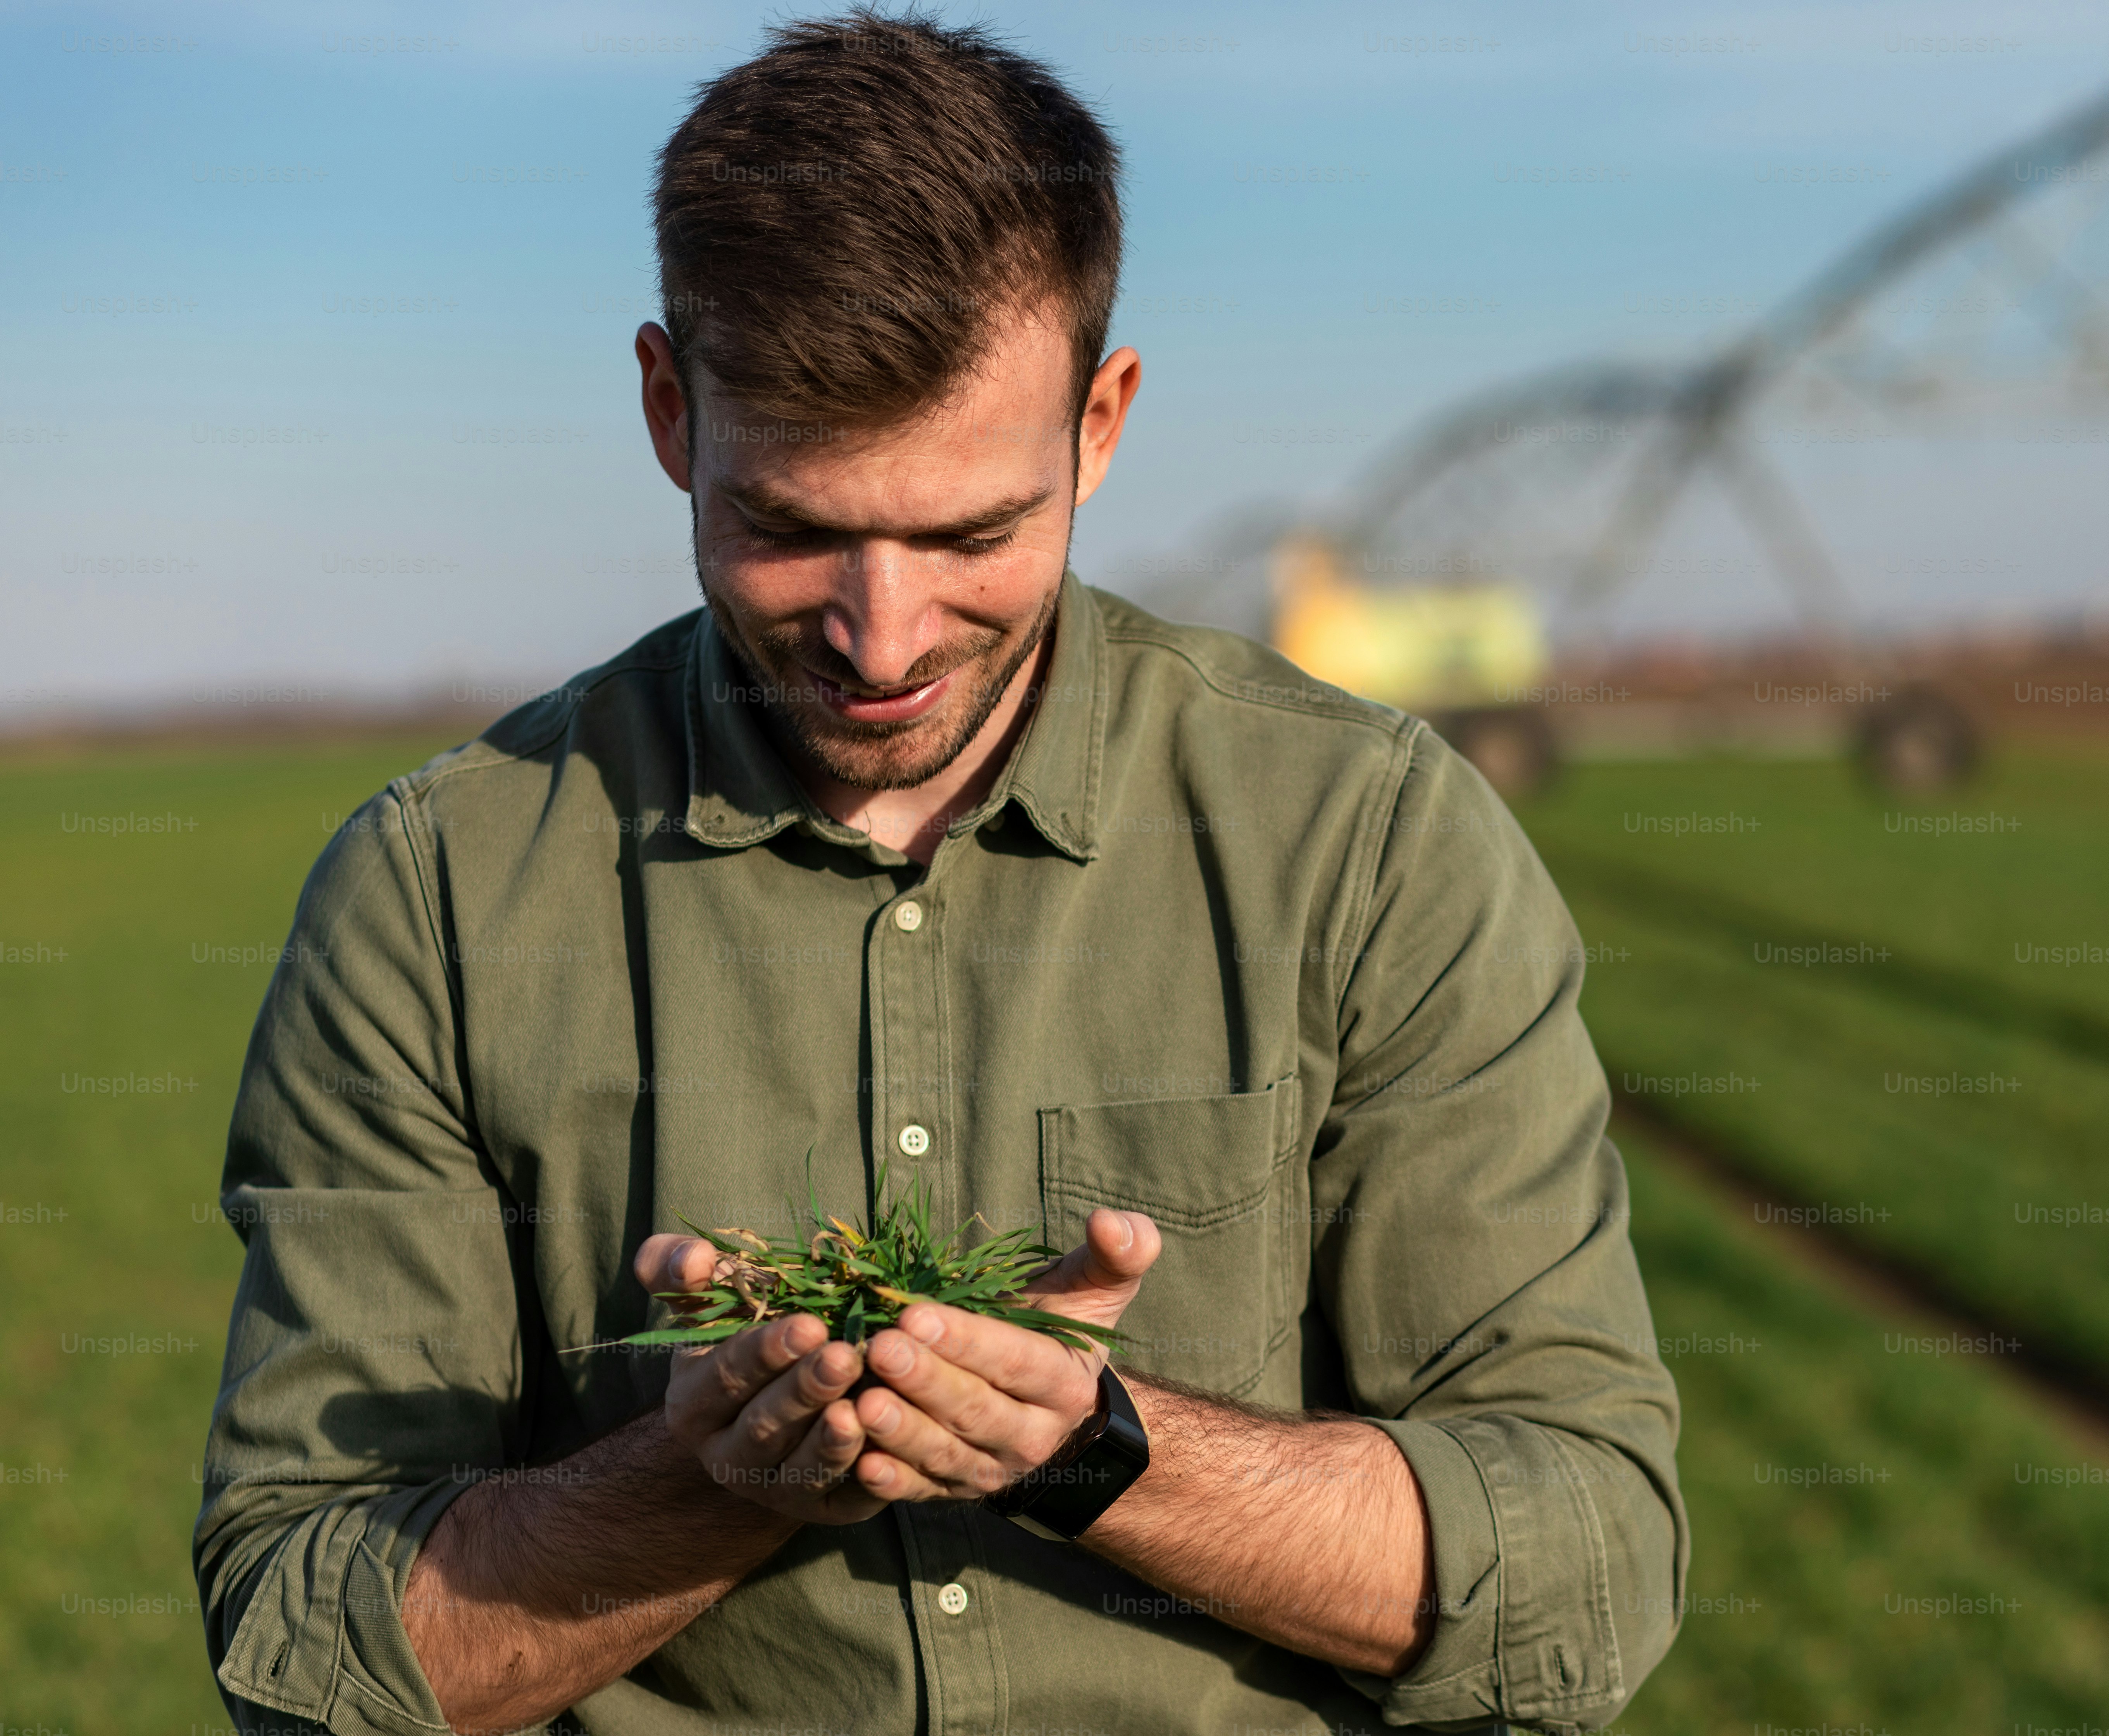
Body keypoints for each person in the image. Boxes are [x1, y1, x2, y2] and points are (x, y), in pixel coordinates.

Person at [193, 12, 1684, 1733]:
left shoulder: (1372, 843)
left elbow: (1587, 1564)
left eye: (973, 533)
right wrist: (710, 1480)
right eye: (796, 528)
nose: (881, 636)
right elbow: (309, 1648)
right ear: (673, 409)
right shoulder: (434, 900)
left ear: (1101, 420)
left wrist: (1091, 1444)